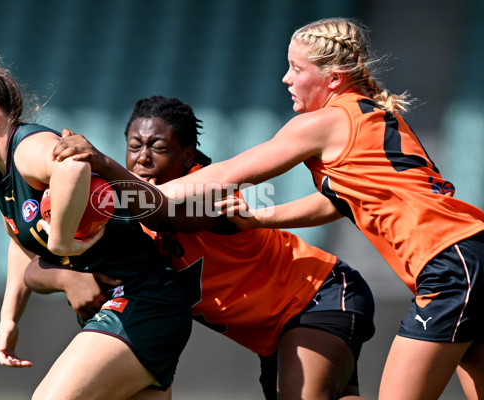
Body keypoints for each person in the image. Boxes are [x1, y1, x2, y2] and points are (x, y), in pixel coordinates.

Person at [148, 18, 484, 400]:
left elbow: (227, 174)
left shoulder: (323, 122)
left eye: (297, 68)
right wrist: (259, 219)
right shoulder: (369, 114)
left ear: (334, 78)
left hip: (450, 265)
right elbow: (340, 202)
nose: (286, 79)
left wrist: (131, 194)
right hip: (469, 253)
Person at [27, 95, 376, 400]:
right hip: (273, 332)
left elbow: (164, 215)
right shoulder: (119, 205)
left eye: (158, 147)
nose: (143, 158)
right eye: (134, 146)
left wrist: (103, 163)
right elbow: (33, 267)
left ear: (188, 154)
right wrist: (66, 278)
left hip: (319, 295)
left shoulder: (215, 193)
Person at [0, 42, 192, 400]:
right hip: (129, 306)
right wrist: (9, 319)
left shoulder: (27, 148)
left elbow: (74, 166)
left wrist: (60, 244)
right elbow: (19, 240)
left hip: (143, 300)